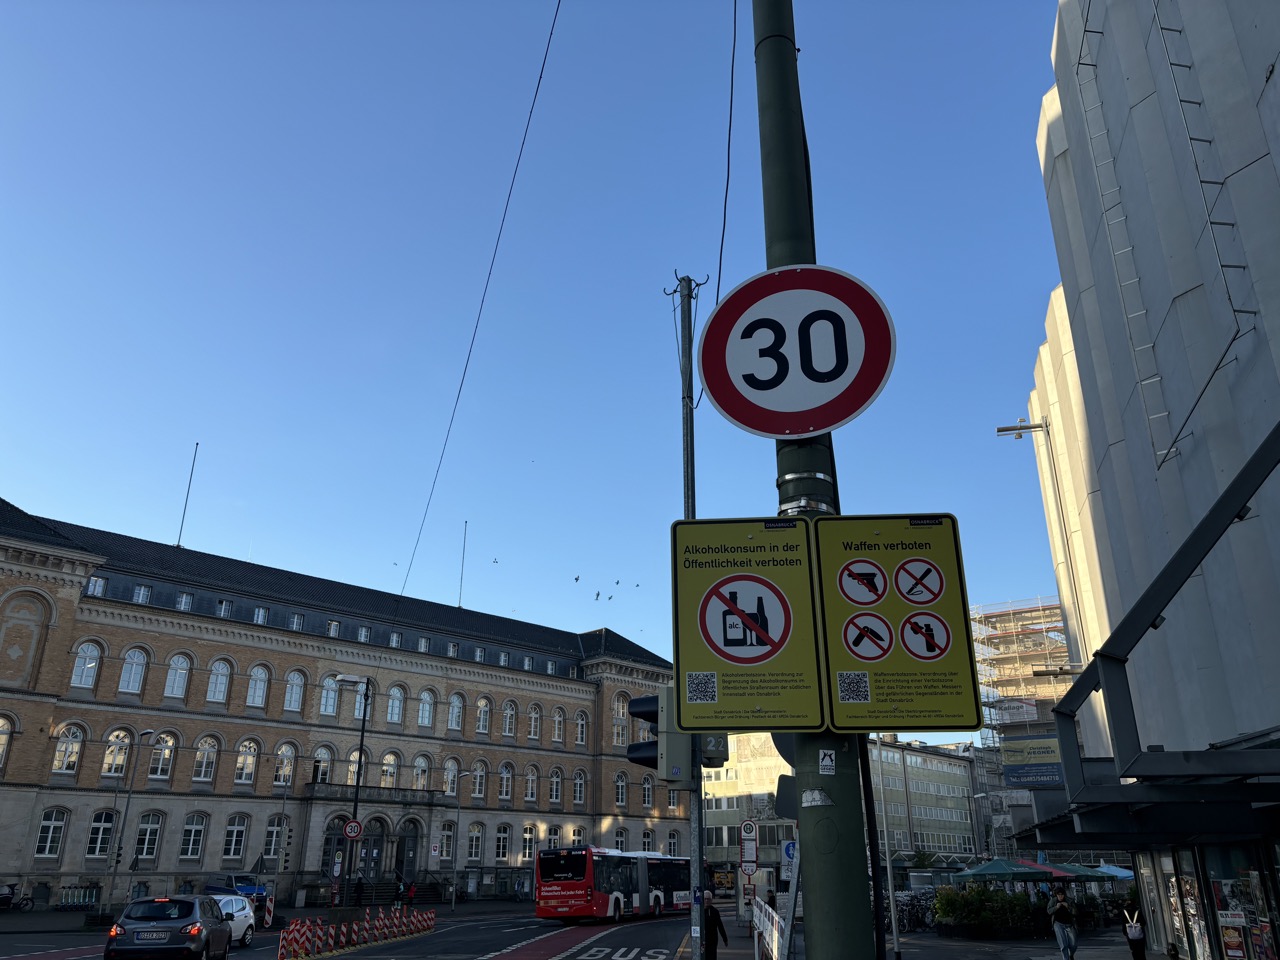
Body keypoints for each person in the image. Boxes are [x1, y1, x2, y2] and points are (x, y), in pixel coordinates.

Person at [1049, 887, 1078, 960]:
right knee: (1063, 944)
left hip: (1069, 924)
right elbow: (1049, 911)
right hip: (1058, 923)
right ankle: (1065, 958)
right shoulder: (1053, 901)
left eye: (1062, 895)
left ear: (1064, 895)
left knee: (1073, 944)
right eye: (1058, 895)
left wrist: (1068, 907)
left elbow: (1075, 912)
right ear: (1056, 895)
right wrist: (1056, 907)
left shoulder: (1069, 901)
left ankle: (1071, 954)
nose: (1060, 896)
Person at [703, 890, 729, 960]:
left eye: (708, 899)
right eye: (705, 899)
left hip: (712, 939)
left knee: (712, 956)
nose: (706, 901)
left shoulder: (715, 912)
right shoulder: (699, 912)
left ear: (711, 900)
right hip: (702, 939)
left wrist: (725, 939)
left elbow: (720, 926)